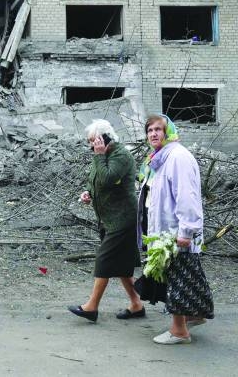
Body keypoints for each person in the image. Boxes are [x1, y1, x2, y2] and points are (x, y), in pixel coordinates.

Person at [137, 113, 215, 344]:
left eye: (158, 129)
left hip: (175, 232)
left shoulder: (177, 157)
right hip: (164, 230)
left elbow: (187, 196)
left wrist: (186, 231)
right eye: (149, 130)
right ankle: (195, 314)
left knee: (176, 280)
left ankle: (179, 331)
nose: (153, 133)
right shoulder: (159, 158)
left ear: (169, 132)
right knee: (189, 276)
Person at [68, 119, 144, 323]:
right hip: (108, 218)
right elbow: (96, 181)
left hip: (122, 218)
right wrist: (88, 193)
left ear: (105, 137)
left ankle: (91, 307)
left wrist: (99, 156)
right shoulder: (101, 155)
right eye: (90, 141)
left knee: (104, 260)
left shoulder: (121, 155)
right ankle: (137, 304)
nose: (92, 145)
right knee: (120, 265)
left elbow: (108, 178)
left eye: (94, 140)